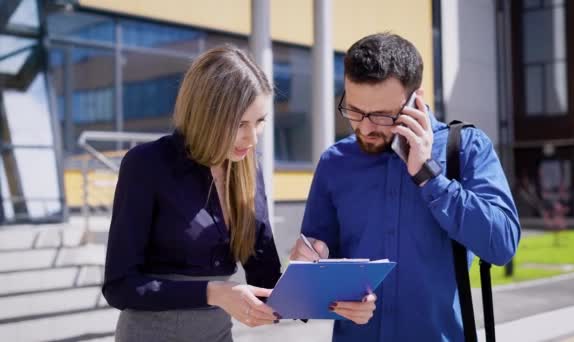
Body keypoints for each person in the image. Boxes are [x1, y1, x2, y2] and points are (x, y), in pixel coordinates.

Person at [290, 33, 521, 341]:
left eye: (381, 115)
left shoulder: (466, 148)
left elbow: (502, 245)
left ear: (416, 101)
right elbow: (314, 277)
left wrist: (430, 178)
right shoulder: (335, 162)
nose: (366, 127)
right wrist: (311, 273)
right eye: (355, 111)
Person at [102, 46, 282, 342]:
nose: (252, 138)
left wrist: (325, 290)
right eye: (240, 124)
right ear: (206, 115)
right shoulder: (147, 164)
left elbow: (266, 277)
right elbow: (120, 286)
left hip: (217, 335)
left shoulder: (248, 167)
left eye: (260, 121)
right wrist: (213, 292)